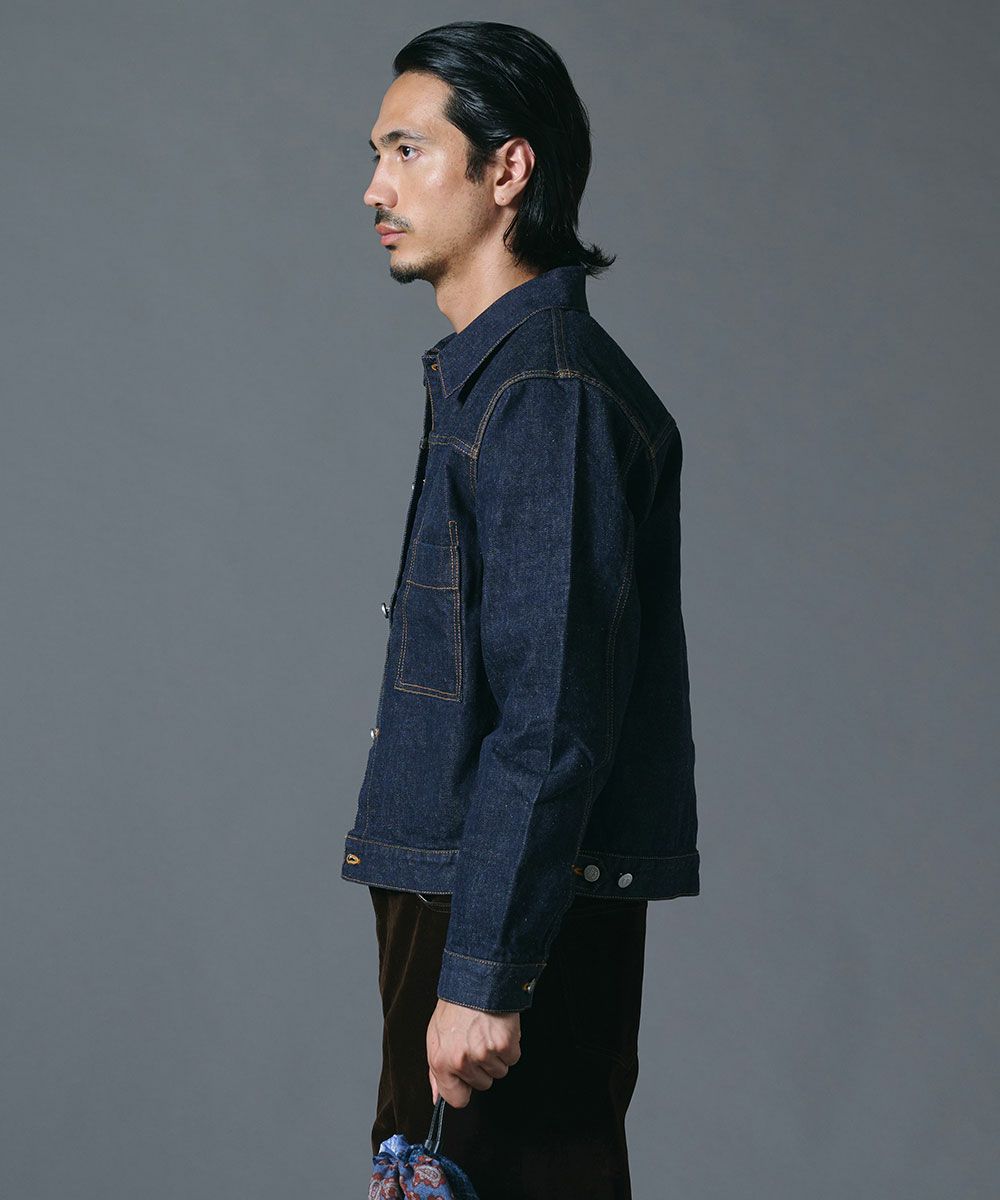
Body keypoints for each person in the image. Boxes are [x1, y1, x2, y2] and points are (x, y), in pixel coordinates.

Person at [343, 21, 700, 1200]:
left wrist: (485, 971)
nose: (375, 189)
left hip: (497, 914)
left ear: (508, 169)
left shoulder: (545, 394)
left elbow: (549, 715)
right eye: (376, 155)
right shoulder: (499, 381)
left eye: (407, 151)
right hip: (469, 896)